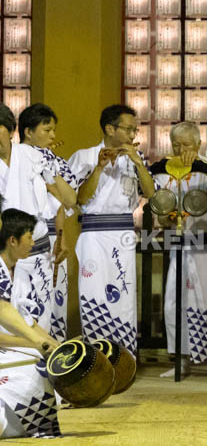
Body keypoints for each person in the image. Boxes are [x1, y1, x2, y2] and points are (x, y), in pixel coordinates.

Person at [149, 122, 207, 379]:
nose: (181, 149)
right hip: (182, 243)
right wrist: (167, 217)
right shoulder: (164, 172)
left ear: (198, 145)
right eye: (176, 144)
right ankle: (182, 359)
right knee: (177, 302)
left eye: (186, 144)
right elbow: (161, 217)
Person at [69, 104, 156, 355]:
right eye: (128, 129)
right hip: (94, 233)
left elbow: (150, 194)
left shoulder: (135, 159)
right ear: (109, 128)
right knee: (93, 294)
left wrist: (138, 162)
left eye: (134, 130)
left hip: (123, 232)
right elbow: (78, 200)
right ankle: (97, 358)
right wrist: (98, 167)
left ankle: (124, 357)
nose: (132, 135)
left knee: (124, 293)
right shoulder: (83, 156)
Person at [0, 104, 77, 342]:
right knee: (10, 322)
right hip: (6, 254)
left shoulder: (33, 155)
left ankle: (44, 372)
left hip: (38, 249)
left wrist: (61, 235)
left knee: (40, 318)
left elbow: (66, 200)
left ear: (10, 129)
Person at [0, 209, 61, 438]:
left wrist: (55, 345)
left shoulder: (19, 274)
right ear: (13, 241)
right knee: (36, 367)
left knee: (41, 366)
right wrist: (34, 343)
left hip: (9, 348)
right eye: (29, 236)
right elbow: (3, 310)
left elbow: (28, 322)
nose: (33, 242)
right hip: (5, 348)